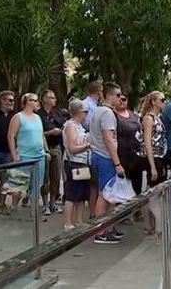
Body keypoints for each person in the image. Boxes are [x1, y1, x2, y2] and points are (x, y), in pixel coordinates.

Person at [89, 82, 125, 244]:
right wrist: (117, 163)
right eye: (117, 95)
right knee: (104, 194)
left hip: (100, 155)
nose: (120, 98)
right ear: (109, 96)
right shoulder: (107, 113)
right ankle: (100, 231)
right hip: (105, 157)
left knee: (109, 194)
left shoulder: (98, 111)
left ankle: (109, 227)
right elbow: (109, 139)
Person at [6, 93, 49, 215]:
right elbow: (11, 136)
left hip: (39, 156)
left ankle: (33, 211)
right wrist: (14, 154)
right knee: (19, 184)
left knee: (37, 184)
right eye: (34, 100)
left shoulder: (37, 118)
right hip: (24, 156)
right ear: (27, 102)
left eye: (37, 100)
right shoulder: (18, 117)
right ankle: (14, 206)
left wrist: (46, 151)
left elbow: (41, 135)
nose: (37, 103)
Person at [137, 91, 168, 235]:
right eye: (162, 99)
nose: (164, 102)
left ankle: (154, 225)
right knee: (151, 192)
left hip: (159, 157)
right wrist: (152, 166)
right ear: (154, 101)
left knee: (155, 192)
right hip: (152, 158)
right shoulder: (149, 119)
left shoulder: (158, 118)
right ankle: (157, 226)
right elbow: (147, 143)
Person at [62, 99, 91, 230]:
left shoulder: (80, 126)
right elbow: (72, 147)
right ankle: (68, 222)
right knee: (71, 193)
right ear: (79, 112)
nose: (86, 114)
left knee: (82, 193)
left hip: (82, 161)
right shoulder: (70, 126)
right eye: (85, 111)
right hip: (73, 162)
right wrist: (88, 145)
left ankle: (78, 219)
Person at [37, 89, 66, 215]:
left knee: (56, 177)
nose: (54, 99)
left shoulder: (57, 113)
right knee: (45, 177)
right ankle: (44, 203)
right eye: (51, 97)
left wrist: (59, 131)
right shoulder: (38, 115)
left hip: (57, 147)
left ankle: (53, 202)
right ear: (44, 99)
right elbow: (37, 133)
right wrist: (50, 132)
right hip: (44, 148)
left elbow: (63, 125)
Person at [115, 93, 142, 195]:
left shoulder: (134, 115)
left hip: (136, 155)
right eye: (119, 99)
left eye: (124, 99)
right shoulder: (114, 116)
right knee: (123, 187)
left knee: (137, 186)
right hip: (121, 155)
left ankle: (137, 209)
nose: (121, 101)